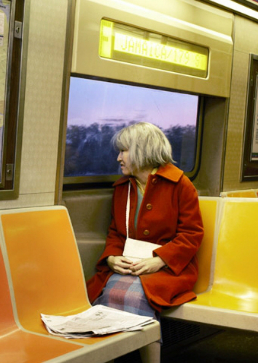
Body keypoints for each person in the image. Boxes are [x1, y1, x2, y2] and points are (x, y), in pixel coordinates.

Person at [87, 122, 203, 319]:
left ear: (142, 151)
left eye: (124, 151)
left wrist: (159, 261)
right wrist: (112, 258)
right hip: (131, 264)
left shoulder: (180, 185)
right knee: (106, 293)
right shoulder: (122, 188)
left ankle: (141, 340)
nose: (118, 158)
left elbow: (191, 234)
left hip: (171, 268)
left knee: (135, 297)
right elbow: (116, 232)